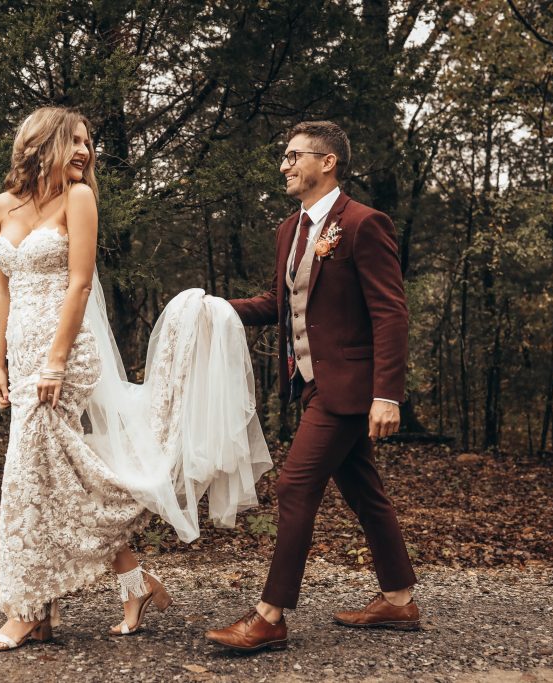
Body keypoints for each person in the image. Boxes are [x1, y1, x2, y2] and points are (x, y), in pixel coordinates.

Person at [0, 106, 271, 651]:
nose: (86, 152)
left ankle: (25, 610)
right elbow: (2, 290)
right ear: (43, 143)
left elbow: (80, 283)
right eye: (76, 141)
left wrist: (56, 361)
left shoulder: (79, 199)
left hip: (63, 354)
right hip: (19, 358)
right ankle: (126, 583)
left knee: (26, 478)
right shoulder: (1, 206)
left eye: (90, 143)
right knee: (51, 478)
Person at [205, 121, 420, 653]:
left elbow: (390, 313)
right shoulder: (289, 230)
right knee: (365, 493)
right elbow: (281, 305)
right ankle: (398, 599)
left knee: (295, 486)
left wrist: (386, 395)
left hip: (350, 387)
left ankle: (270, 615)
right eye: (284, 156)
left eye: (293, 156)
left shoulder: (365, 224)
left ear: (328, 162)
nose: (284, 165)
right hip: (311, 385)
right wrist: (211, 309)